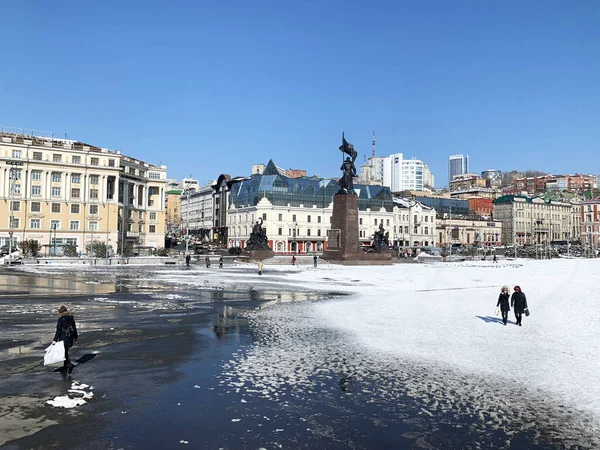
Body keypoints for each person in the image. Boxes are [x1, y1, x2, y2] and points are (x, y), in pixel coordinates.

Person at [52, 305, 78, 373]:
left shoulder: (61, 320)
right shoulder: (71, 318)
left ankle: (69, 365)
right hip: (70, 339)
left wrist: (55, 340)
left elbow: (58, 331)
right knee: (65, 353)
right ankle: (65, 366)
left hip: (63, 339)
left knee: (64, 354)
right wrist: (75, 337)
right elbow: (74, 329)